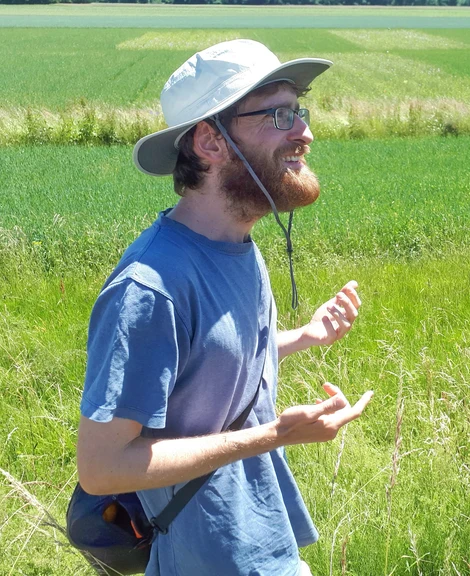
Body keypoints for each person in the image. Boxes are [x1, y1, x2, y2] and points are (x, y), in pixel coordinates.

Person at [75, 39, 373, 576]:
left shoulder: (237, 244)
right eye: (278, 115)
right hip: (209, 557)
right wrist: (275, 435)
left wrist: (306, 336)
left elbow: (207, 365)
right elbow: (101, 467)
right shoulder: (151, 288)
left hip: (265, 541)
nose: (304, 132)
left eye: (299, 111)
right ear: (210, 141)